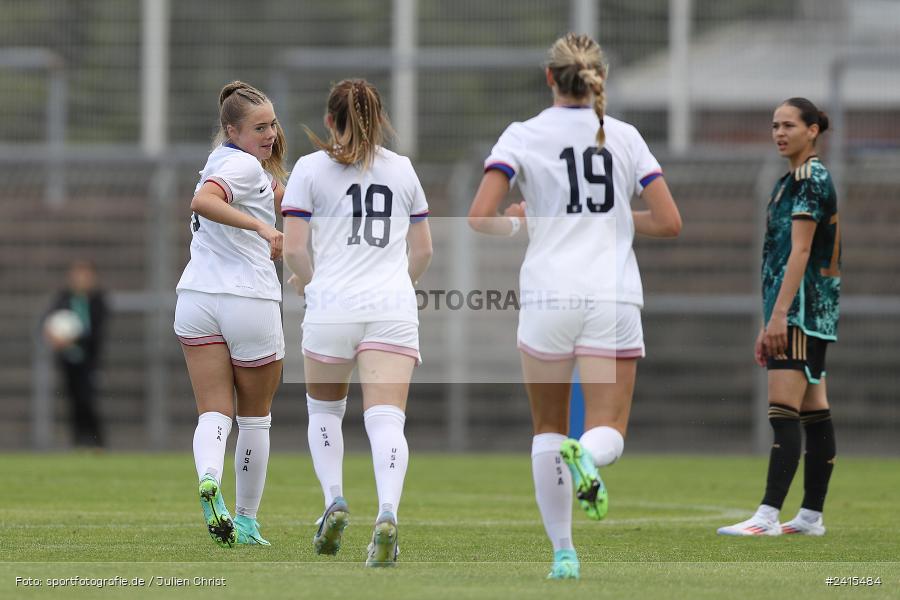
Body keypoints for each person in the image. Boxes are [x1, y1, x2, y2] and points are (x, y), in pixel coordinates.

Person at [468, 33, 681, 579]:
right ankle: (588, 454)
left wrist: (519, 222)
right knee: (608, 428)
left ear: (550, 78)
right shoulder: (625, 137)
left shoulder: (523, 134)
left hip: (548, 295)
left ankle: (564, 554)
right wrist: (615, 218)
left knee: (547, 429)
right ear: (598, 79)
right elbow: (669, 222)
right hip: (612, 295)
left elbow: (479, 216)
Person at [282, 79, 432, 567]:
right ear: (379, 117)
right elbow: (424, 250)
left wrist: (308, 282)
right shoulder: (403, 169)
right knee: (386, 420)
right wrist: (399, 287)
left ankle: (334, 501)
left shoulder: (309, 169)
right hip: (391, 308)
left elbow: (295, 249)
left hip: (332, 306)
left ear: (330, 120)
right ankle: (387, 513)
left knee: (325, 413)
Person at [718, 98, 840, 537]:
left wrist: (780, 316)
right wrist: (769, 317)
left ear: (813, 130)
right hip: (803, 309)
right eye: (775, 126)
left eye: (789, 125)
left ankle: (767, 516)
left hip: (801, 310)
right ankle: (810, 516)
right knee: (813, 409)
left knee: (782, 411)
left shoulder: (808, 178)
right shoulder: (790, 180)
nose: (779, 133)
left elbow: (800, 251)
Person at [173, 81, 287, 548]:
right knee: (255, 418)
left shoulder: (226, 162)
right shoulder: (240, 166)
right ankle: (246, 521)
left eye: (273, 124)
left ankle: (208, 477)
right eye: (259, 127)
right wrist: (263, 228)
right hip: (248, 300)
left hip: (196, 300)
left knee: (214, 412)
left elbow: (286, 198)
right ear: (232, 130)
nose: (271, 134)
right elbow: (204, 201)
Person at [44, 259, 109, 448]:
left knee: (87, 399)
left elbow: (97, 331)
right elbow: (49, 321)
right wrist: (52, 335)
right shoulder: (62, 298)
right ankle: (78, 442)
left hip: (90, 361)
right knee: (72, 401)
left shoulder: (98, 300)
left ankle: (97, 441)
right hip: (67, 360)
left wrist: (75, 338)